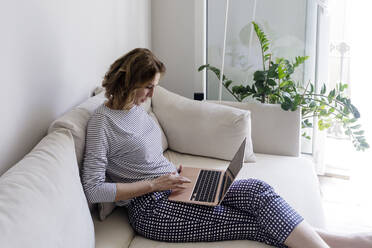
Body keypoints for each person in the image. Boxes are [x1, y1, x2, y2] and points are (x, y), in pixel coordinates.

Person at [82, 48, 372, 248]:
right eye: (147, 86)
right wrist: (153, 184)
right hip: (152, 210)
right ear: (127, 80)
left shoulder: (136, 109)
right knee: (252, 224)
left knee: (257, 190)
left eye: (154, 86)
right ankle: (349, 243)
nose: (151, 94)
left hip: (176, 184)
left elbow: (144, 159)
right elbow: (93, 188)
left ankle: (348, 243)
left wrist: (177, 175)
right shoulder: (101, 123)